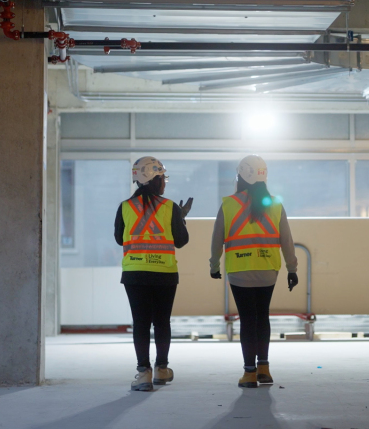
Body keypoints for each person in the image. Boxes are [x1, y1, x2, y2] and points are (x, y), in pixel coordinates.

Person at [210, 155, 299, 388]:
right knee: (263, 317)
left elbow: (217, 238)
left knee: (247, 319)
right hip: (268, 270)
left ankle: (249, 373)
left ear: (240, 177)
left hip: (239, 271)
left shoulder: (229, 204)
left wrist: (214, 265)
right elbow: (287, 240)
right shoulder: (275, 203)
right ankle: (264, 370)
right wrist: (292, 269)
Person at [114, 156, 192, 391]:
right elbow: (181, 241)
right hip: (164, 273)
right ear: (156, 180)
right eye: (162, 178)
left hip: (135, 274)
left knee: (140, 322)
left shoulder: (125, 206)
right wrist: (181, 219)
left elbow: (120, 239)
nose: (164, 183)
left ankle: (143, 373)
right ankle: (161, 369)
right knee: (161, 322)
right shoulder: (170, 207)